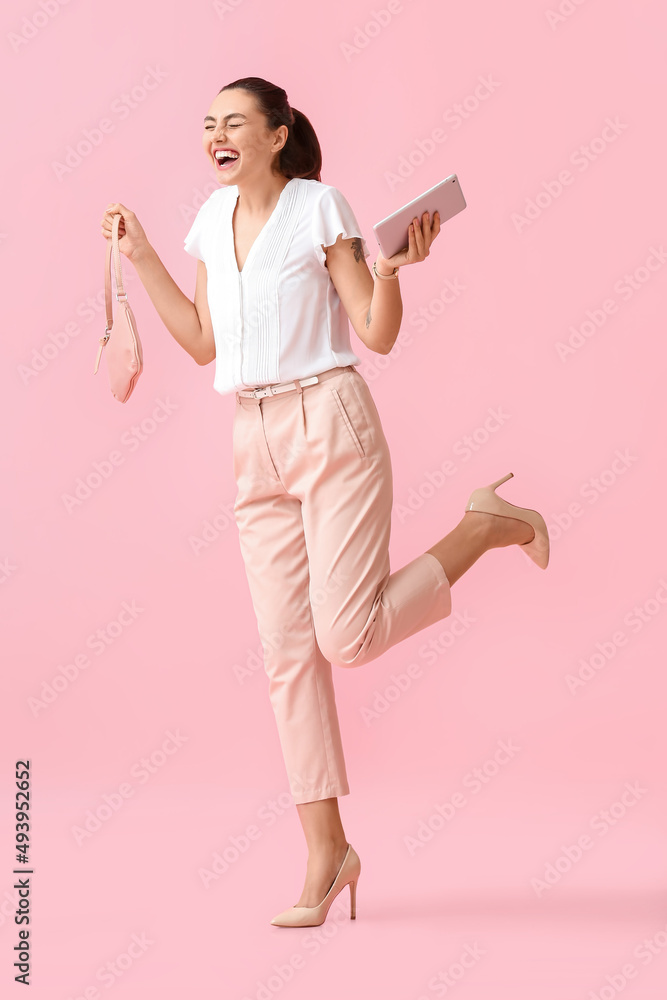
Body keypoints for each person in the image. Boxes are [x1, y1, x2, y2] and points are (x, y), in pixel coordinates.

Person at [100, 76, 550, 929]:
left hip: (328, 418)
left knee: (346, 636)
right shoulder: (208, 218)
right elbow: (201, 344)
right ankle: (326, 853)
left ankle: (481, 526)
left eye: (234, 123)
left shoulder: (318, 206)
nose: (216, 135)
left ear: (277, 135)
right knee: (286, 657)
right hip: (250, 437)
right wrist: (144, 256)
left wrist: (388, 266)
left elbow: (373, 334)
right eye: (207, 125)